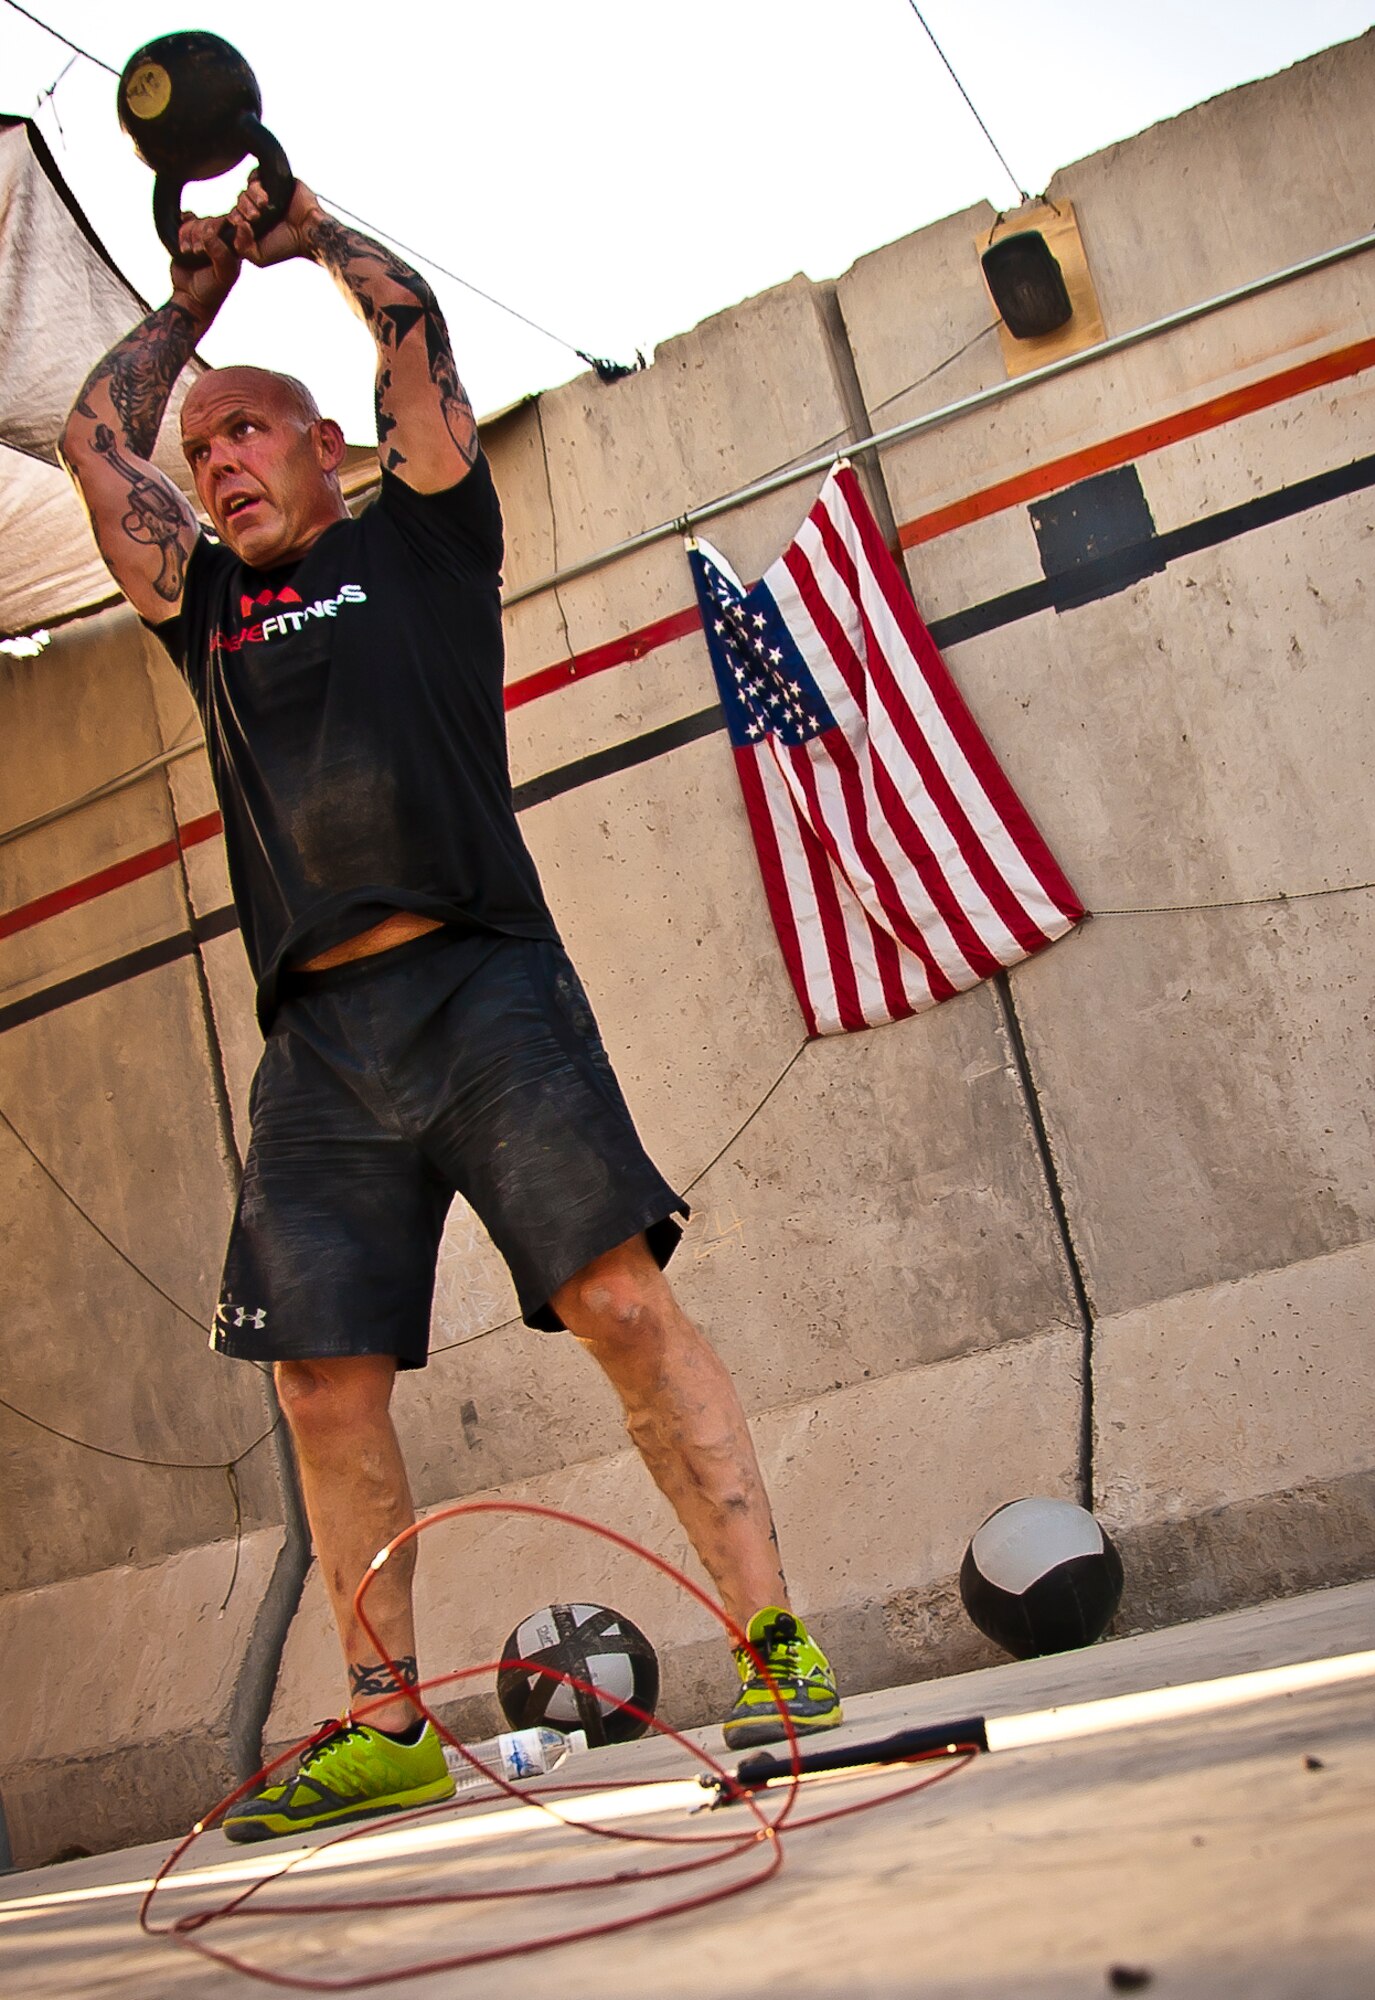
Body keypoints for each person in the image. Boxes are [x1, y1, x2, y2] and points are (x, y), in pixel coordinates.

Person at [61, 173, 841, 1841]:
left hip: (482, 984)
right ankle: (384, 1723)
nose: (217, 465)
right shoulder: (201, 606)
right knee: (319, 1388)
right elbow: (88, 441)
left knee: (619, 1305)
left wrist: (310, 234)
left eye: (250, 433)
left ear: (329, 448)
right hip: (316, 1049)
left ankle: (774, 1643)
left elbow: (415, 336)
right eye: (202, 453)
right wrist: (193, 307)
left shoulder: (421, 531)